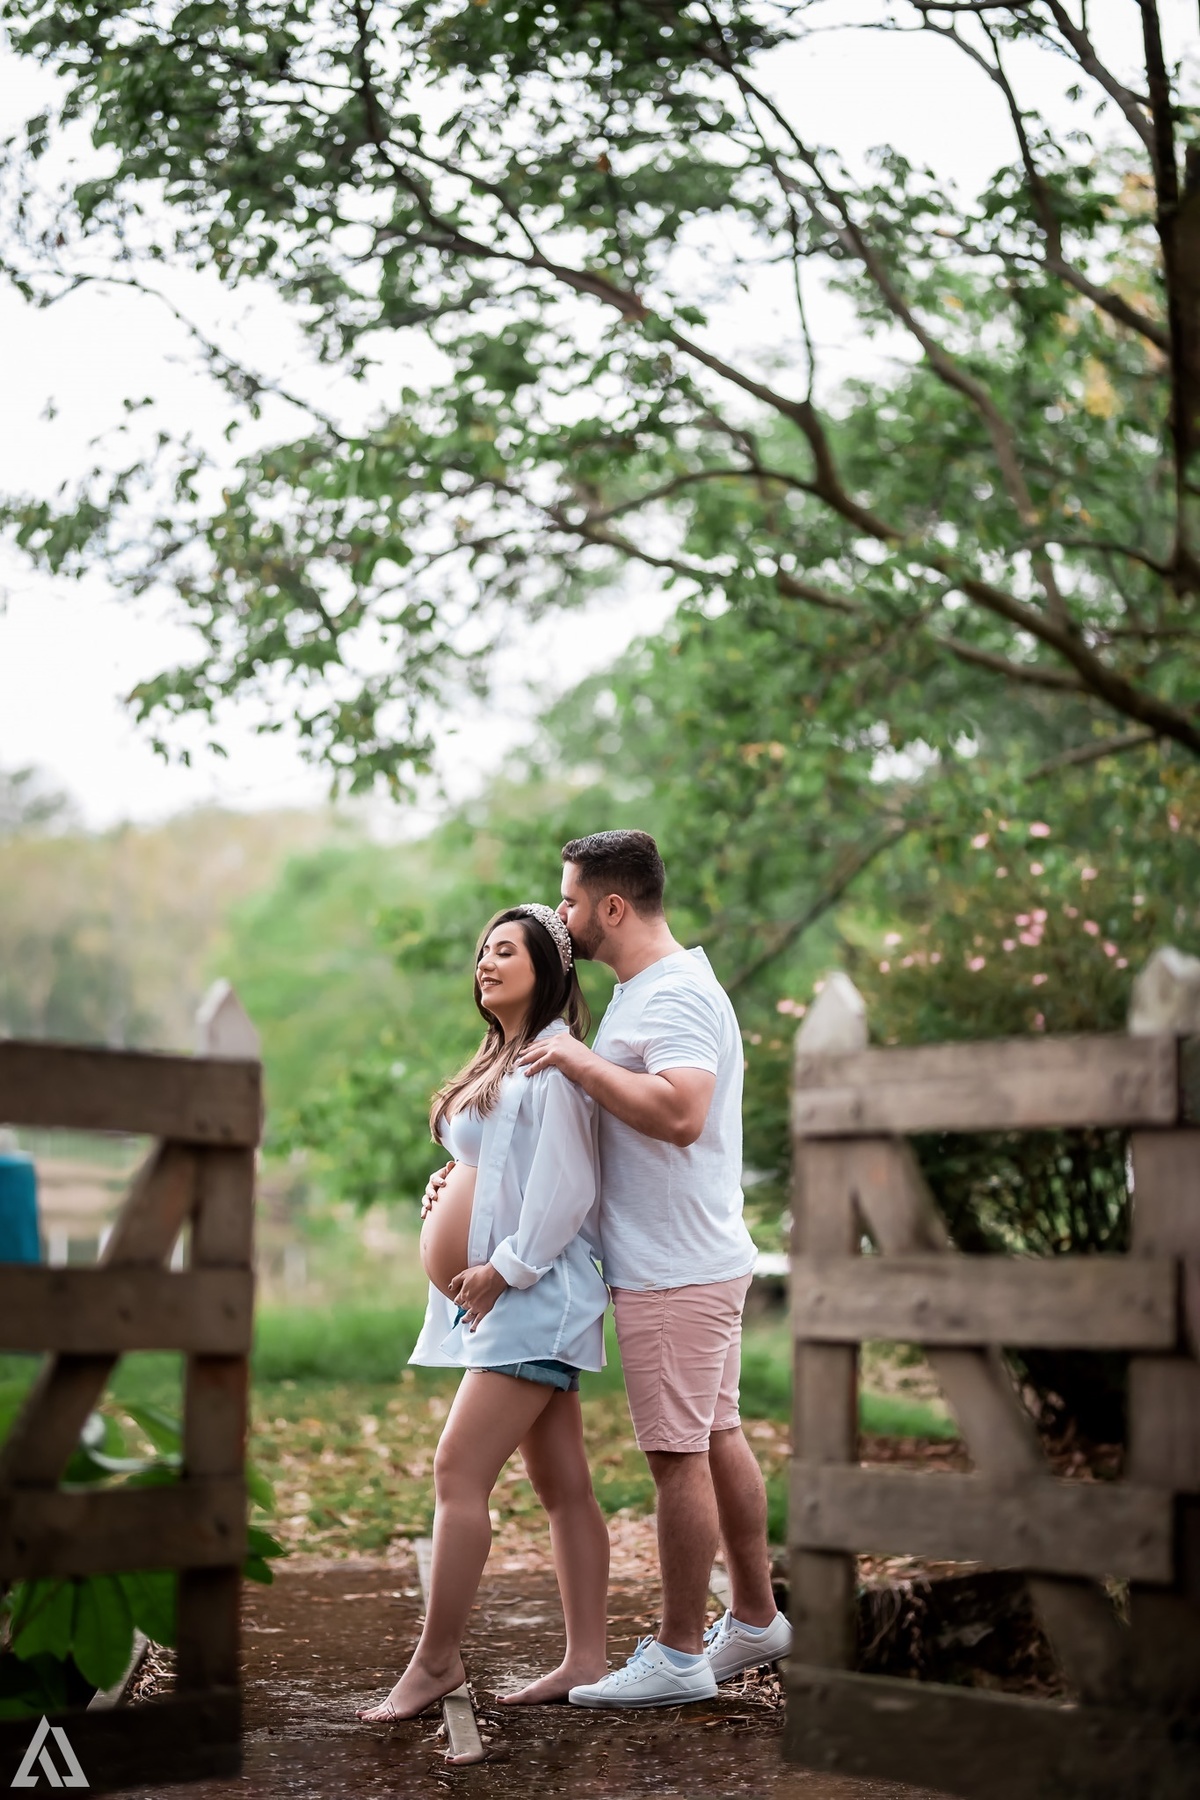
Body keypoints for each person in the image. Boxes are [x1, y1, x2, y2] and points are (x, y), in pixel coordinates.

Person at [520, 830, 792, 1708]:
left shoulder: (670, 993)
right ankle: (754, 1620)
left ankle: (677, 1655)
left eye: (568, 901)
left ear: (612, 906)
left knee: (678, 1457)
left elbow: (680, 1112)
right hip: (693, 1257)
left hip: (675, 1269)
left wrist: (576, 1056)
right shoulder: (655, 989)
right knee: (716, 1435)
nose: (560, 916)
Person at [357, 903, 611, 1745]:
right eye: (482, 951)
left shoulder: (555, 1061)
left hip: (534, 1297)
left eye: (506, 951)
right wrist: (447, 1183)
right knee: (563, 1484)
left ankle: (437, 1660)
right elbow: (498, 1164)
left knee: (457, 1470)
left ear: (548, 967)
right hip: (514, 1300)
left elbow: (568, 1185)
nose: (486, 963)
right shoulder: (505, 1057)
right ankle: (586, 1658)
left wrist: (505, 1268)